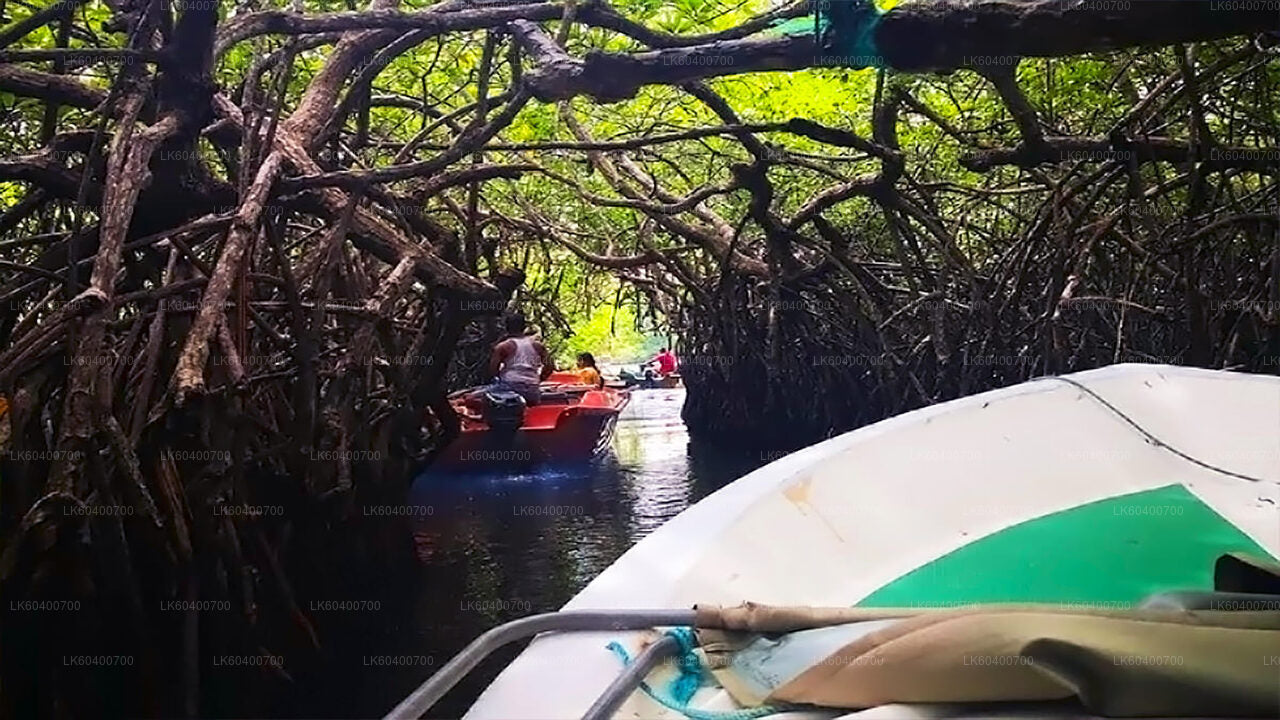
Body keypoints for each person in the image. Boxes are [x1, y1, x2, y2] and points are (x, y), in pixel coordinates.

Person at [469, 312, 552, 407]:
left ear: (506, 328)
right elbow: (549, 366)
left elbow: (493, 370)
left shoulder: (503, 347)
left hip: (509, 386)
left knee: (471, 398)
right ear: (524, 327)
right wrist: (537, 380)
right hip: (532, 390)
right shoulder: (538, 346)